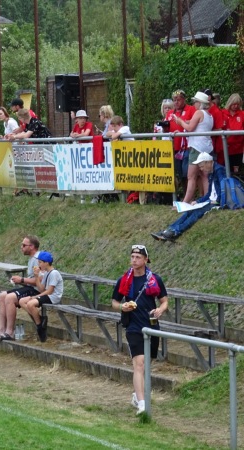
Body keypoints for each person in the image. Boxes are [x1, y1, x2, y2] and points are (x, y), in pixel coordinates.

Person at [111, 245, 168, 416]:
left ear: (145, 260)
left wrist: (160, 310)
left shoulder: (154, 279)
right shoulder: (124, 280)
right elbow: (114, 302)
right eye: (132, 256)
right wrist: (123, 306)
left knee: (146, 365)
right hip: (133, 326)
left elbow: (164, 300)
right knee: (139, 364)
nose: (134, 260)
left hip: (151, 325)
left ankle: (137, 395)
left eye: (138, 257)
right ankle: (143, 404)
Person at [151, 152, 226, 241]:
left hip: (217, 202)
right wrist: (198, 201)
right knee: (189, 211)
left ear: (208, 162)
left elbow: (223, 190)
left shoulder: (219, 170)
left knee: (196, 213)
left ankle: (175, 231)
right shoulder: (210, 173)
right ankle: (168, 230)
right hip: (211, 201)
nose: (201, 169)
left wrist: (216, 201)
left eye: (202, 166)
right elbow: (209, 194)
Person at [0, 235, 40, 341]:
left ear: (32, 246)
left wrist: (22, 280)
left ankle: (10, 332)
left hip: (37, 291)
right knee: (2, 296)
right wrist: (20, 280)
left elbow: (39, 282)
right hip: (30, 288)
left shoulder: (37, 260)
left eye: (24, 245)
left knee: (10, 298)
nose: (21, 247)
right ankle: (1, 329)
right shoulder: (32, 259)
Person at [171, 91, 214, 203]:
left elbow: (190, 128)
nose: (193, 104)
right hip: (207, 147)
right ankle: (207, 198)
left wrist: (180, 122)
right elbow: (196, 127)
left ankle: (185, 202)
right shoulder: (209, 115)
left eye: (195, 102)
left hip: (197, 148)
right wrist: (185, 125)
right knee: (205, 176)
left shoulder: (199, 113)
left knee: (191, 177)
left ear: (199, 103)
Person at [18, 251, 63, 343]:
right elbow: (42, 289)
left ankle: (39, 327)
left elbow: (50, 291)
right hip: (46, 295)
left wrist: (36, 296)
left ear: (46, 262)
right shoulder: (46, 273)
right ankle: (40, 319)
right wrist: (37, 277)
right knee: (22, 301)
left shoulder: (54, 273)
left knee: (30, 304)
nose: (38, 264)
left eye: (40, 262)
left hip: (53, 297)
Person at [165, 90, 196, 196]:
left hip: (188, 146)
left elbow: (194, 124)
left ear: (184, 99)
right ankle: (185, 195)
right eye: (174, 100)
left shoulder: (191, 109)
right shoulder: (170, 113)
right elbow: (166, 130)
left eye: (178, 100)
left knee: (187, 173)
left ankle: (190, 196)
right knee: (180, 173)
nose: (176, 102)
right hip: (175, 147)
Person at [222, 93, 244, 174]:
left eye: (237, 104)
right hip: (225, 148)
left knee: (236, 172)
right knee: (225, 170)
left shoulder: (242, 114)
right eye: (234, 104)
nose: (235, 106)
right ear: (230, 103)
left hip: (238, 149)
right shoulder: (223, 113)